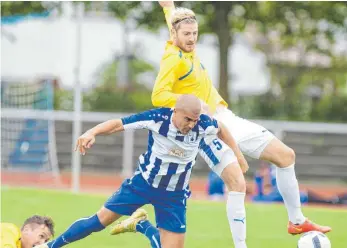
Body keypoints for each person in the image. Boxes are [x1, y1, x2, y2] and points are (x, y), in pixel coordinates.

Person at [150, 0, 331, 243]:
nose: (192, 38)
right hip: (206, 129)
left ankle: (296, 221)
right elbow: (157, 96)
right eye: (187, 34)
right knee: (238, 184)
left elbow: (175, 22)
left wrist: (168, 7)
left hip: (228, 118)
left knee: (286, 156)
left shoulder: (184, 43)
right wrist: (191, 102)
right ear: (175, 34)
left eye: (195, 33)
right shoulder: (173, 58)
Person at [34, 94, 244, 248]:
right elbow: (119, 124)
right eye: (187, 119)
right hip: (142, 184)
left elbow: (222, 129)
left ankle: (141, 225)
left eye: (195, 120)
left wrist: (238, 155)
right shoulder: (158, 118)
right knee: (99, 221)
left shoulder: (203, 124)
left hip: (174, 195)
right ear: (175, 111)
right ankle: (49, 247)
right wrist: (92, 131)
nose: (191, 124)